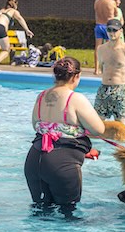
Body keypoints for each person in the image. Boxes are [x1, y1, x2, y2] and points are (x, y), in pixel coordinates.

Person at [24, 57, 105, 217]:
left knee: (40, 212)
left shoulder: (41, 96)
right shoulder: (75, 98)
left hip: (34, 160)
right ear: (76, 76)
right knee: (68, 215)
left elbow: (36, 126)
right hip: (62, 165)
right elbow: (98, 129)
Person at [94, 19, 125, 123]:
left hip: (121, 89)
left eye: (114, 30)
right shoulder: (101, 49)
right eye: (109, 30)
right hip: (104, 88)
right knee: (97, 123)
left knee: (120, 126)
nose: (111, 33)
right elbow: (102, 68)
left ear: (121, 31)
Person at [0, 0, 34, 71]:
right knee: (6, 50)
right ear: (15, 5)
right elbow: (20, 19)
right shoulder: (13, 11)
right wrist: (27, 30)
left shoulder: (1, 11)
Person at [93, 0, 117, 74]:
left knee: (97, 48)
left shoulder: (97, 2)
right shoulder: (111, 2)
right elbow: (116, 13)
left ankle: (96, 69)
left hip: (99, 25)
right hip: (108, 26)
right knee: (109, 47)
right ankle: (107, 69)